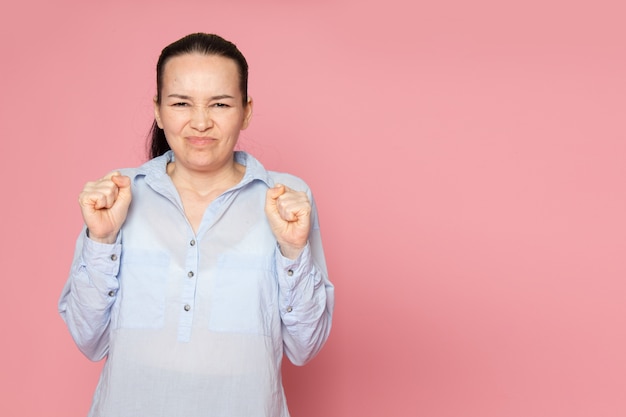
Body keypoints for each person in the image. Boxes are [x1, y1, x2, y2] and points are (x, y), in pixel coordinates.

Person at [58, 33, 334, 417]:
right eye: (181, 103)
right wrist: (101, 239)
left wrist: (293, 250)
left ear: (246, 110)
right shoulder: (119, 194)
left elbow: (306, 346)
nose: (201, 122)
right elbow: (88, 340)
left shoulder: (287, 197)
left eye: (220, 103)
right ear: (157, 110)